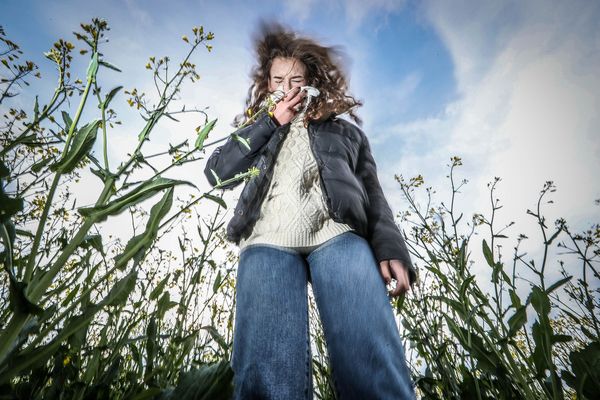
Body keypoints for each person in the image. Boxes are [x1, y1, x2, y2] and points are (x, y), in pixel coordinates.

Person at [204, 20, 418, 400]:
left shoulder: (346, 133)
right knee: (266, 374)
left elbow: (374, 193)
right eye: (277, 80)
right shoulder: (257, 127)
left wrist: (390, 249)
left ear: (310, 81)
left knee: (370, 354)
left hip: (338, 237)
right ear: (267, 84)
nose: (286, 89)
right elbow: (217, 174)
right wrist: (270, 123)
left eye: (295, 80)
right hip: (267, 241)